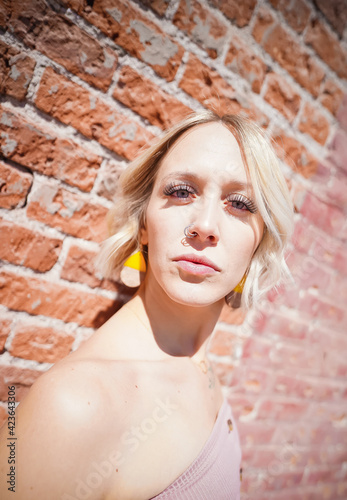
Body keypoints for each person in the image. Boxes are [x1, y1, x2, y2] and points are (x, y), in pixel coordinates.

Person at [0, 110, 294, 500]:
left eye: (239, 203)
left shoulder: (198, 363)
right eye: (180, 191)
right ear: (142, 224)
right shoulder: (74, 407)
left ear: (259, 242)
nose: (205, 225)